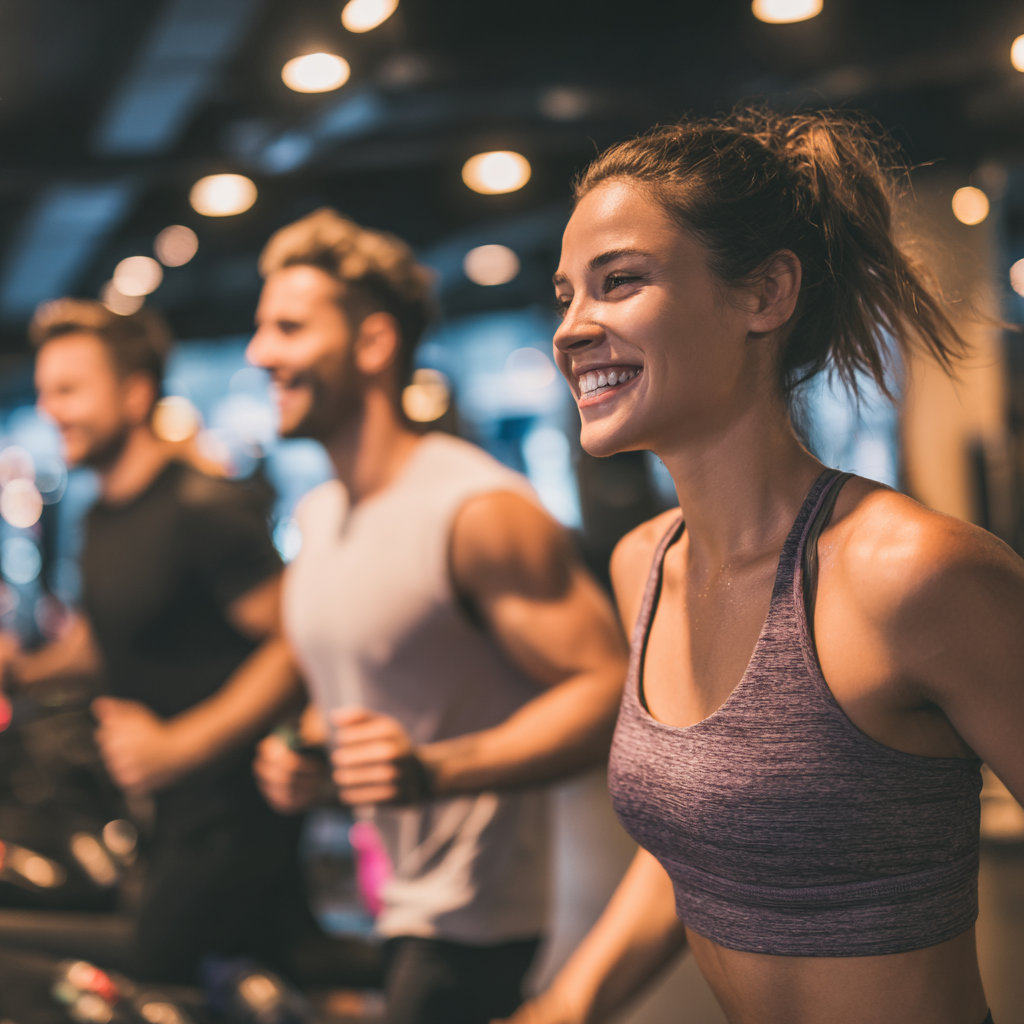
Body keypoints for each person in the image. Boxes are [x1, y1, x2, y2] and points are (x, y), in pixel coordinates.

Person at [506, 109, 1024, 1024]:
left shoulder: (909, 574)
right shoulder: (644, 567)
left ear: (764, 296)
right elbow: (702, 846)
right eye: (565, 295)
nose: (573, 329)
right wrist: (571, 1000)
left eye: (619, 282)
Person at [246, 209, 629, 1024]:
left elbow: (607, 690)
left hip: (472, 917)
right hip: (381, 895)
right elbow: (357, 689)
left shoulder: (475, 510)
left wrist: (436, 771)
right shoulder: (318, 517)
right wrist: (302, 749)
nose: (260, 353)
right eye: (259, 328)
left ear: (374, 344)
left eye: (287, 327)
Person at [0, 299, 309, 983]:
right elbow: (108, 642)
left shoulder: (204, 510)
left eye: (70, 390)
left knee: (135, 965)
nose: (51, 409)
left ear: (136, 393)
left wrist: (181, 745)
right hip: (169, 815)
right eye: (47, 391)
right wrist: (21, 672)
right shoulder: (103, 515)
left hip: (233, 818)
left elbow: (297, 643)